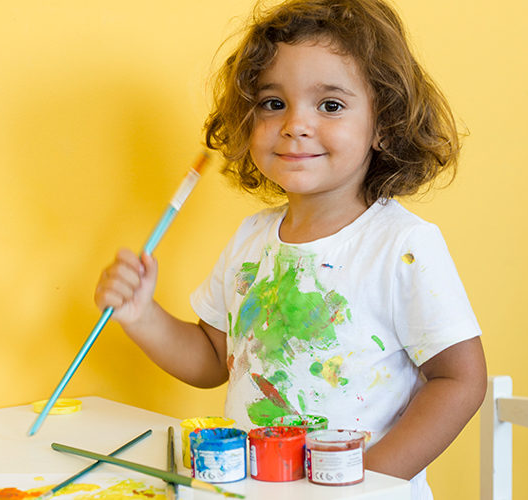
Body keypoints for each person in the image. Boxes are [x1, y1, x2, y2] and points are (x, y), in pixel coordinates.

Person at [94, 0, 486, 496]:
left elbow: (459, 381)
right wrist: (140, 314)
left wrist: (364, 480)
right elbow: (214, 359)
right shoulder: (251, 240)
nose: (294, 124)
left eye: (330, 105)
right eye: (273, 103)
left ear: (383, 124)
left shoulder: (401, 246)